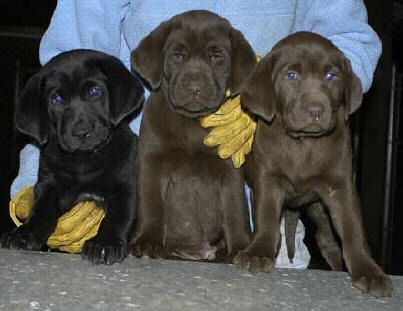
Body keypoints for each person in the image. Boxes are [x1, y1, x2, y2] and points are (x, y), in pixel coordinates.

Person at [11, 0, 381, 268]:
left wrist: (266, 101)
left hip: (260, 237)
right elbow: (61, 80)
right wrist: (36, 189)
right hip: (128, 224)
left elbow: (350, 42)